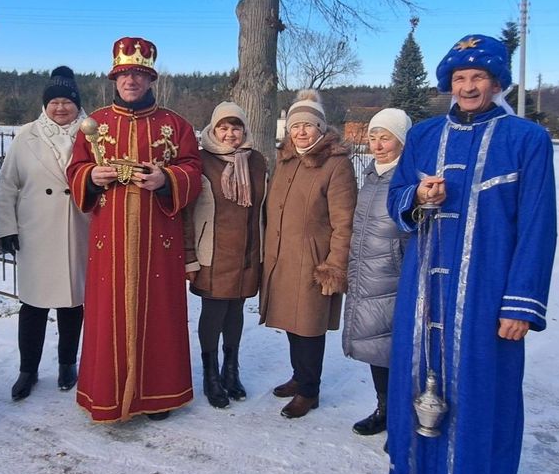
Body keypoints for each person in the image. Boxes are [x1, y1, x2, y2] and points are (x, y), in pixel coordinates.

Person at [381, 35, 557, 474]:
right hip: (422, 292)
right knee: (414, 383)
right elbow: (396, 199)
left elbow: (539, 226)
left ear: (496, 82)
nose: (469, 86)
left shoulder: (528, 140)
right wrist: (419, 195)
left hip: (488, 292)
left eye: (478, 76)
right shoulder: (423, 135)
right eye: (460, 77)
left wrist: (521, 305)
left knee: (481, 394)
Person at [66, 36, 202, 422]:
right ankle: (106, 393)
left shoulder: (175, 125)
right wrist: (92, 174)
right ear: (115, 78)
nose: (132, 80)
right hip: (109, 239)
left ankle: (160, 395)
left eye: (139, 74)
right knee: (106, 315)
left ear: (150, 79)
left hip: (159, 239)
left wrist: (167, 178)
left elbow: (194, 169)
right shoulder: (94, 123)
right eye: (125, 73)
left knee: (160, 314)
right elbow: (74, 170)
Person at [260, 89, 357, 419]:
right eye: (295, 126)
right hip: (282, 258)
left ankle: (309, 391)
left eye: (308, 126)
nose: (301, 132)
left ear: (321, 128)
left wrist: (334, 266)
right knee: (292, 322)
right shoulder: (286, 160)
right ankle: (299, 377)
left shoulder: (336, 165)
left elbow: (345, 222)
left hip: (314, 261)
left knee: (309, 326)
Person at [0, 66, 90, 401]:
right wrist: (6, 226)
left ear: (77, 104)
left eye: (67, 101)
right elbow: (7, 185)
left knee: (72, 303)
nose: (60, 108)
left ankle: (67, 364)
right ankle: (28, 369)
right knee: (33, 305)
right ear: (45, 105)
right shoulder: (26, 136)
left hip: (78, 229)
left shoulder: (94, 133)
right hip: (35, 231)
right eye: (54, 102)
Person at [184, 101, 268, 409]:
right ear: (213, 129)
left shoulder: (257, 161)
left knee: (235, 313)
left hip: (247, 252)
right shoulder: (200, 160)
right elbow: (187, 214)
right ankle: (210, 374)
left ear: (245, 130)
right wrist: (189, 256)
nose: (230, 133)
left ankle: (231, 370)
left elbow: (265, 208)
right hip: (213, 252)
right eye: (223, 127)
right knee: (214, 313)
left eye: (236, 127)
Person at [341, 108, 413, 437]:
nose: (378, 144)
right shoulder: (371, 175)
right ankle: (384, 408)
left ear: (401, 140)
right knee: (375, 346)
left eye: (386, 137)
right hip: (366, 271)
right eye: (373, 137)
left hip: (395, 274)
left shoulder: (409, 176)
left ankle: (401, 414)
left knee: (395, 348)